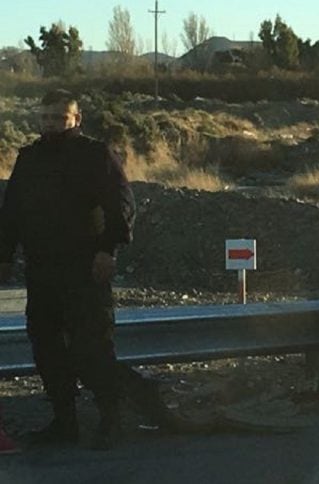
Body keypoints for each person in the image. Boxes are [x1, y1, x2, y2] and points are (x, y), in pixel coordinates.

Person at [0, 89, 172, 450]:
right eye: (45, 117)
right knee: (47, 350)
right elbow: (12, 212)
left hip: (84, 269)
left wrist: (107, 250)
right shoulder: (29, 159)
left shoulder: (94, 155)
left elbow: (121, 204)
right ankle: (64, 424)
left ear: (76, 119)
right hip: (42, 271)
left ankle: (110, 420)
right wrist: (4, 258)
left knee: (91, 349)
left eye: (59, 118)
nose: (50, 124)